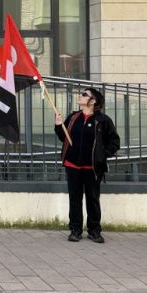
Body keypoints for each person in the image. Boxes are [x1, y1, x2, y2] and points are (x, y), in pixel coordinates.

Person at [54, 86, 120, 244]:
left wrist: (101, 155)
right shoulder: (73, 117)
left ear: (93, 100)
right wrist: (58, 125)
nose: (80, 96)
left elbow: (114, 142)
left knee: (92, 199)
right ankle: (75, 230)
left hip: (92, 168)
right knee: (75, 199)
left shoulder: (103, 121)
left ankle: (94, 230)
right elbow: (65, 138)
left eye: (84, 95)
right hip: (73, 165)